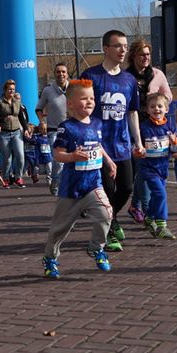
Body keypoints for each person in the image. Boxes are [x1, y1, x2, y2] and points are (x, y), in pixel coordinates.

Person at [40, 79, 116, 279]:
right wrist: (73, 157)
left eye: (92, 98)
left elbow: (97, 146)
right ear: (71, 104)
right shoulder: (67, 127)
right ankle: (50, 259)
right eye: (84, 99)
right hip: (71, 190)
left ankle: (96, 248)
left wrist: (109, 161)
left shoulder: (97, 123)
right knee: (59, 230)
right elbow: (57, 154)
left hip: (93, 185)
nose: (90, 102)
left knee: (106, 213)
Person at [80, 30, 143, 252]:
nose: (123, 50)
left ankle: (111, 218)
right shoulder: (91, 76)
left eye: (125, 46)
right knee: (107, 189)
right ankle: (106, 233)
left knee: (126, 187)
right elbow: (82, 110)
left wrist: (138, 141)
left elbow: (132, 112)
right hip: (99, 145)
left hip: (122, 145)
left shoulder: (129, 80)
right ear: (106, 48)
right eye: (118, 46)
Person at [125, 41, 172, 225]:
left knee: (144, 168)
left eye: (147, 54)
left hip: (154, 127)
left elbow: (168, 95)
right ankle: (143, 208)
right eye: (141, 54)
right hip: (134, 125)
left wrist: (156, 100)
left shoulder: (157, 74)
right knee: (140, 167)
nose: (145, 58)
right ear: (133, 56)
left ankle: (137, 206)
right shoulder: (126, 76)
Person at [137, 93, 177, 240]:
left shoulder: (170, 126)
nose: (156, 109)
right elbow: (136, 145)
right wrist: (138, 150)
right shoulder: (143, 127)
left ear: (166, 109)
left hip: (163, 168)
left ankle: (148, 217)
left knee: (157, 195)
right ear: (147, 110)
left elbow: (175, 149)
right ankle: (161, 225)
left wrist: (175, 143)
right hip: (148, 168)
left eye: (160, 106)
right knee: (161, 194)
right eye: (152, 106)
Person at [36, 62, 70, 195]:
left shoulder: (73, 87)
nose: (61, 74)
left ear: (67, 74)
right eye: (58, 72)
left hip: (71, 130)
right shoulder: (48, 90)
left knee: (71, 160)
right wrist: (42, 122)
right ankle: (55, 183)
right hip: (54, 129)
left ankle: (64, 184)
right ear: (54, 74)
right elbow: (39, 108)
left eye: (63, 72)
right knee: (58, 159)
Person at [0, 80, 30, 188]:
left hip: (16, 132)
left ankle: (18, 177)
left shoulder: (17, 102)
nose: (11, 91)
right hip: (3, 133)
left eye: (13, 89)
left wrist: (26, 129)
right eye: (9, 89)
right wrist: (0, 120)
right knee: (7, 157)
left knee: (20, 155)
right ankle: (5, 178)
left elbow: (21, 117)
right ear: (5, 90)